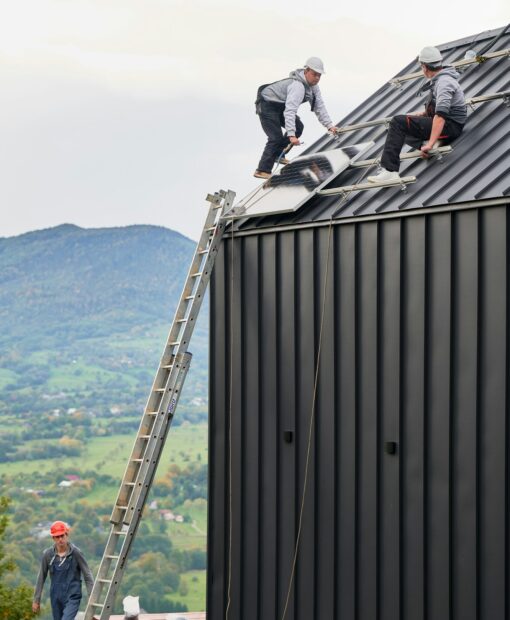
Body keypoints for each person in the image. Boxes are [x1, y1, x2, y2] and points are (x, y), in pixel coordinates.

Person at [367, 46, 467, 183]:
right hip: (445, 124)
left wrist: (430, 145)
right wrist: (421, 115)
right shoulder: (441, 79)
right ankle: (425, 142)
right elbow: (437, 109)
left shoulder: (444, 82)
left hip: (449, 127)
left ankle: (390, 171)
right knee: (399, 126)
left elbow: (441, 115)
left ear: (425, 67)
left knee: (398, 122)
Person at [254, 57, 338, 179]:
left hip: (281, 106)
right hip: (267, 104)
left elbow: (319, 107)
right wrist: (291, 135)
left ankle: (279, 155)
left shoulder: (314, 88)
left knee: (299, 127)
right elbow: (290, 111)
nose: (317, 78)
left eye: (319, 76)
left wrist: (329, 125)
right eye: (314, 74)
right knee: (275, 137)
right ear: (306, 70)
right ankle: (262, 170)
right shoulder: (297, 86)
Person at [33, 520, 94, 620]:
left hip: (72, 596)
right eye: (57, 537)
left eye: (62, 536)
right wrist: (36, 600)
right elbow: (41, 577)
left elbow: (87, 574)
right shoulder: (48, 555)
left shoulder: (76, 553)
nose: (60, 539)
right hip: (56, 597)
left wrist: (91, 596)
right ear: (53, 538)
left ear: (67, 535)